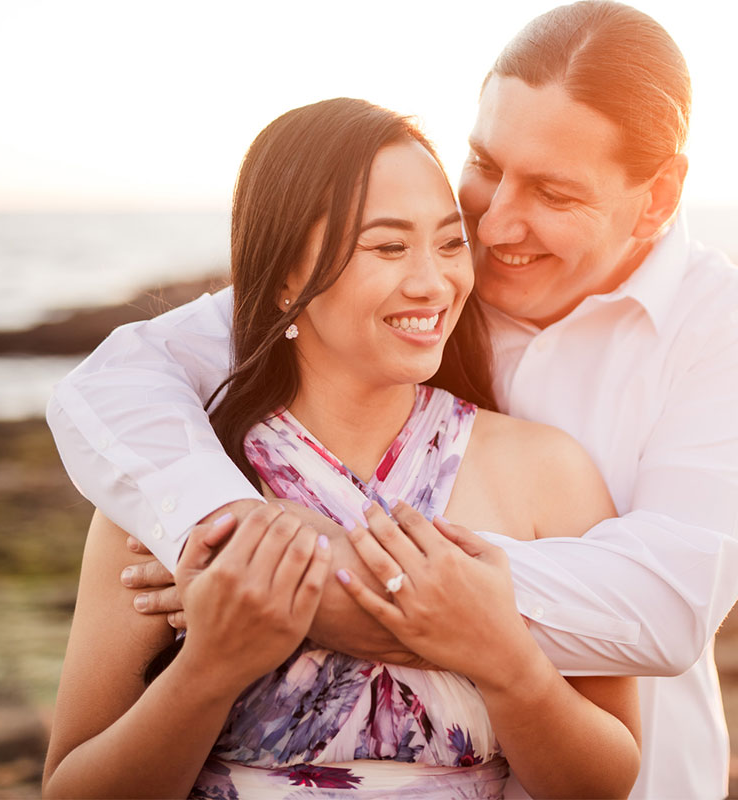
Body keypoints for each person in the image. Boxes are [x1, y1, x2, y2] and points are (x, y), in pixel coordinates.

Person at [46, 3, 738, 797]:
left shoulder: (725, 328)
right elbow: (115, 382)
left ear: (657, 194)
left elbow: (670, 605)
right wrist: (226, 532)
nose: (493, 223)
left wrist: (312, 580)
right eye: (484, 163)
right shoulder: (369, 299)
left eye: (552, 191)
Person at [44, 98, 641, 798]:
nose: (433, 282)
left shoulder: (546, 473)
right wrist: (209, 668)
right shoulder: (183, 489)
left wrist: (507, 662)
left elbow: (606, 783)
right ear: (286, 274)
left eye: (450, 243)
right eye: (388, 247)